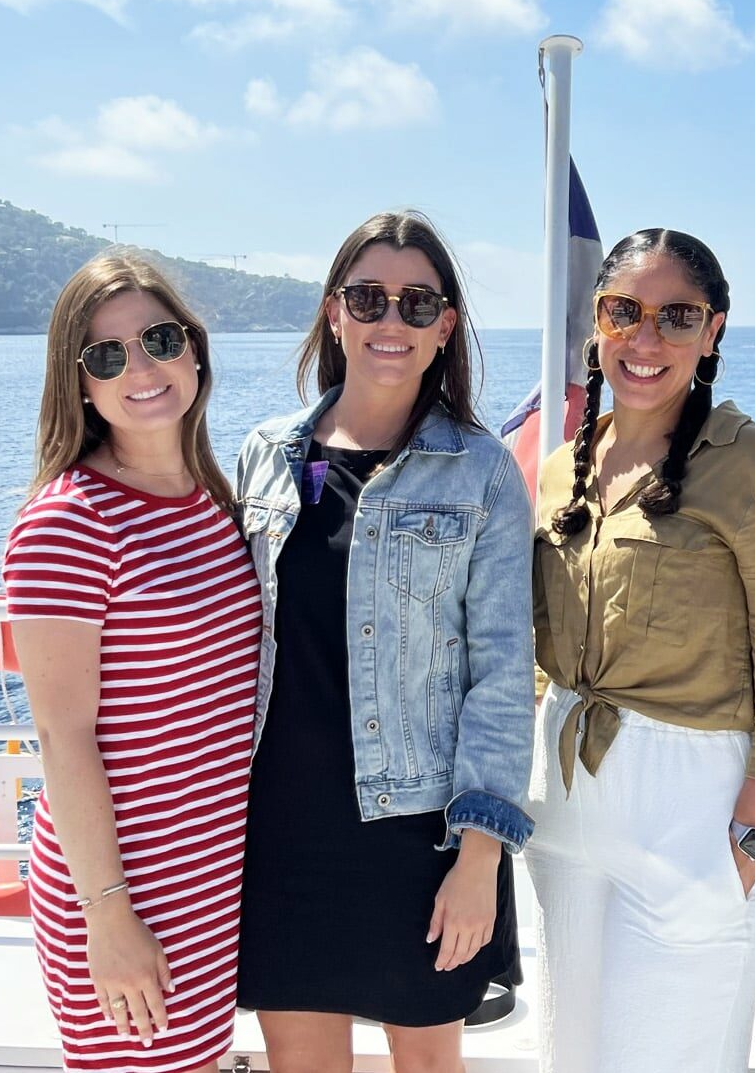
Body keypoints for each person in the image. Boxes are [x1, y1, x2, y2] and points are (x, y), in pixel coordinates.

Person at [526, 227, 755, 1072]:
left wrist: (745, 850)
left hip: (696, 813)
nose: (645, 339)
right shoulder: (564, 467)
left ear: (714, 334)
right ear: (595, 322)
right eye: (622, 311)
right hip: (563, 810)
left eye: (677, 316)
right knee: (570, 1055)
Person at [232, 211, 534, 1073]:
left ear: (445, 326)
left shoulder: (480, 470)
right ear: (335, 314)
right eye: (368, 298)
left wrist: (480, 856)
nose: (389, 322)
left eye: (416, 303)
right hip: (279, 826)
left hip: (420, 835)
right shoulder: (266, 454)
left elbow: (504, 674)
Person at [4, 254, 262, 1072]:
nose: (139, 368)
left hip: (214, 876)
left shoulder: (214, 503)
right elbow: (62, 736)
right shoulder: (66, 527)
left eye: (157, 339)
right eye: (106, 355)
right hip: (126, 888)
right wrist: (107, 920)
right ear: (78, 383)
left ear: (194, 348)